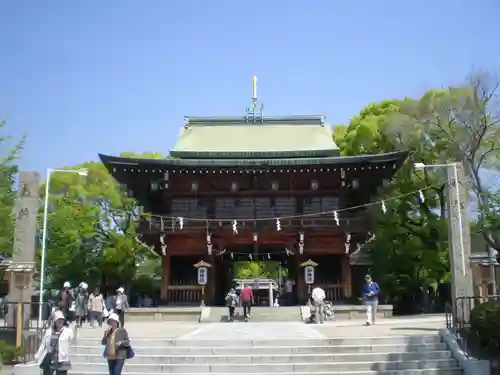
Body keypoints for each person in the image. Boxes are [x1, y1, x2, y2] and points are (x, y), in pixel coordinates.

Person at [35, 310, 74, 375]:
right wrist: (38, 355)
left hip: (63, 359)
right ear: (55, 321)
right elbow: (43, 344)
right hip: (50, 359)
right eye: (58, 319)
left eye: (62, 319)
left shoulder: (68, 331)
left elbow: (70, 342)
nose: (60, 321)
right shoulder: (49, 332)